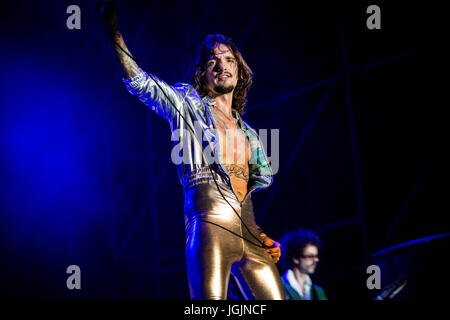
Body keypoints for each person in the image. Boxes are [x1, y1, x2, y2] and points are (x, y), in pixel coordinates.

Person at [97, 1, 285, 300]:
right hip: (210, 225)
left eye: (228, 60)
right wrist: (112, 28)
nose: (221, 65)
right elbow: (141, 83)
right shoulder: (188, 105)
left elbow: (242, 196)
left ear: (240, 71)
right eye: (212, 61)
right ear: (203, 72)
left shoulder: (251, 135)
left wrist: (260, 234)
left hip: (249, 234)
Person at [279, 228, 327, 300]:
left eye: (316, 256)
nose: (316, 260)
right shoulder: (278, 286)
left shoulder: (318, 291)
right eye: (310, 256)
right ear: (295, 258)